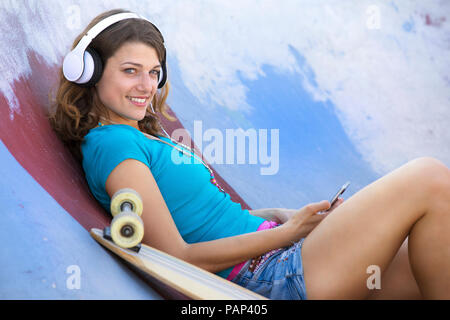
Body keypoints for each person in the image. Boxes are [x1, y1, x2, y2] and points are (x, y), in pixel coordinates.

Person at [49, 9, 450, 300]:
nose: (146, 85)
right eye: (130, 71)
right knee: (429, 178)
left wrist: (278, 215)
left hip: (283, 254)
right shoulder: (113, 145)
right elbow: (177, 256)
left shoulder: (140, 135)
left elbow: (203, 220)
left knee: (421, 262)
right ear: (90, 70)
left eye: (154, 73)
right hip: (272, 278)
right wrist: (287, 234)